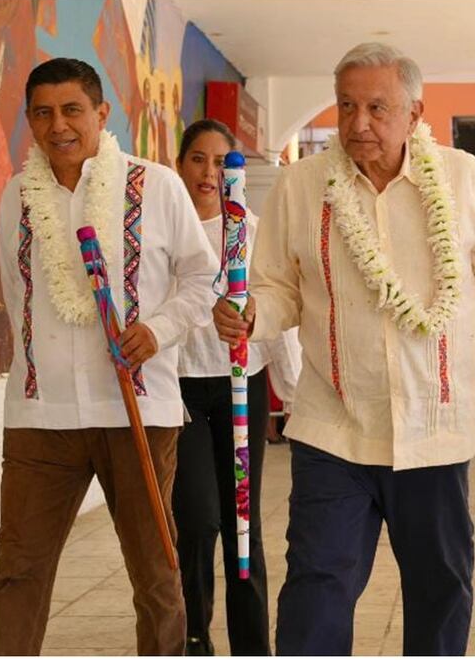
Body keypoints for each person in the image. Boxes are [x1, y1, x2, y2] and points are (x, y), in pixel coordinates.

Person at [212, 42, 475, 655]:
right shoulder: (302, 185)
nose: (359, 122)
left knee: (441, 588)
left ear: (415, 113)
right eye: (346, 106)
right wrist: (252, 314)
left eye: (377, 107)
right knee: (317, 587)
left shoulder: (461, 176)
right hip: (333, 427)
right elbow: (279, 288)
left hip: (433, 429)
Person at [0, 58, 220, 656]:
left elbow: (201, 278)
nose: (58, 125)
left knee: (156, 575)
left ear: (101, 114)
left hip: (138, 405)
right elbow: (17, 294)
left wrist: (157, 330)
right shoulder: (17, 196)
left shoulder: (156, 185)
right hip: (42, 416)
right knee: (16, 574)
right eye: (42, 112)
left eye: (72, 110)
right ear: (30, 120)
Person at [171, 118, 301, 656]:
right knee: (196, 521)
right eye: (197, 159)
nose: (209, 172)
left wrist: (292, 396)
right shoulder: (164, 227)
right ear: (180, 164)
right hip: (179, 391)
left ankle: (252, 646)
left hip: (239, 389)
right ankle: (193, 638)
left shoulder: (248, 230)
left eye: (221, 162)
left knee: (242, 524)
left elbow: (274, 311)